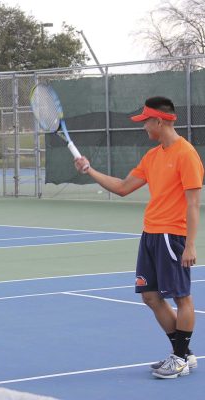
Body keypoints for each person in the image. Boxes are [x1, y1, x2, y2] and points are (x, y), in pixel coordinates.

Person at [74, 96, 202, 379]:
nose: (143, 127)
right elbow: (122, 187)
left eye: (145, 121)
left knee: (181, 297)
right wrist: (89, 170)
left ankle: (179, 357)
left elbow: (194, 203)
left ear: (159, 121)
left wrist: (190, 244)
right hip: (150, 234)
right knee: (150, 296)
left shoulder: (186, 154)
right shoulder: (153, 156)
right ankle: (183, 353)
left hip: (173, 236)